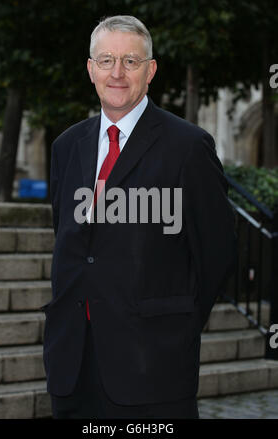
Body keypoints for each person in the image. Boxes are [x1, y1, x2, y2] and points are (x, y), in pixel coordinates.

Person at [41, 15, 237, 419]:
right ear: (90, 69)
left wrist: (174, 324)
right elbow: (71, 237)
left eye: (130, 61)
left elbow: (217, 252)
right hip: (72, 362)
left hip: (153, 367)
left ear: (150, 71)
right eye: (106, 60)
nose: (117, 72)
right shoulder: (66, 146)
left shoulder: (188, 147)